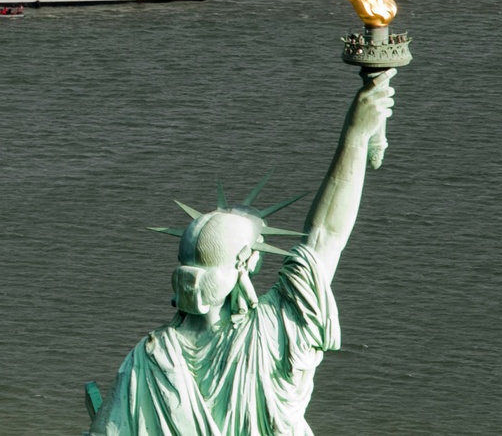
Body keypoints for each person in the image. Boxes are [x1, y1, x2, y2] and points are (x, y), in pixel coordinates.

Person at [88, 70, 397, 436]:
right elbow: (325, 235)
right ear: (247, 263)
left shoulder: (149, 358)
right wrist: (356, 136)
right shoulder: (274, 330)